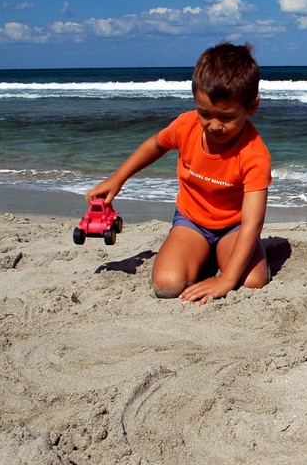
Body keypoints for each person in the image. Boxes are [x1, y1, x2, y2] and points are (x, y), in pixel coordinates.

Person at [86, 42, 271, 305]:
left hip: (234, 227)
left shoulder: (254, 155)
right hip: (192, 222)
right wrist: (118, 178)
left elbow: (252, 223)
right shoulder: (187, 126)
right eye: (205, 113)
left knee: (253, 282)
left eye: (227, 117)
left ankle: (222, 254)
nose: (214, 126)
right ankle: (201, 252)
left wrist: (226, 279)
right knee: (166, 285)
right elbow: (156, 145)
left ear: (252, 106)